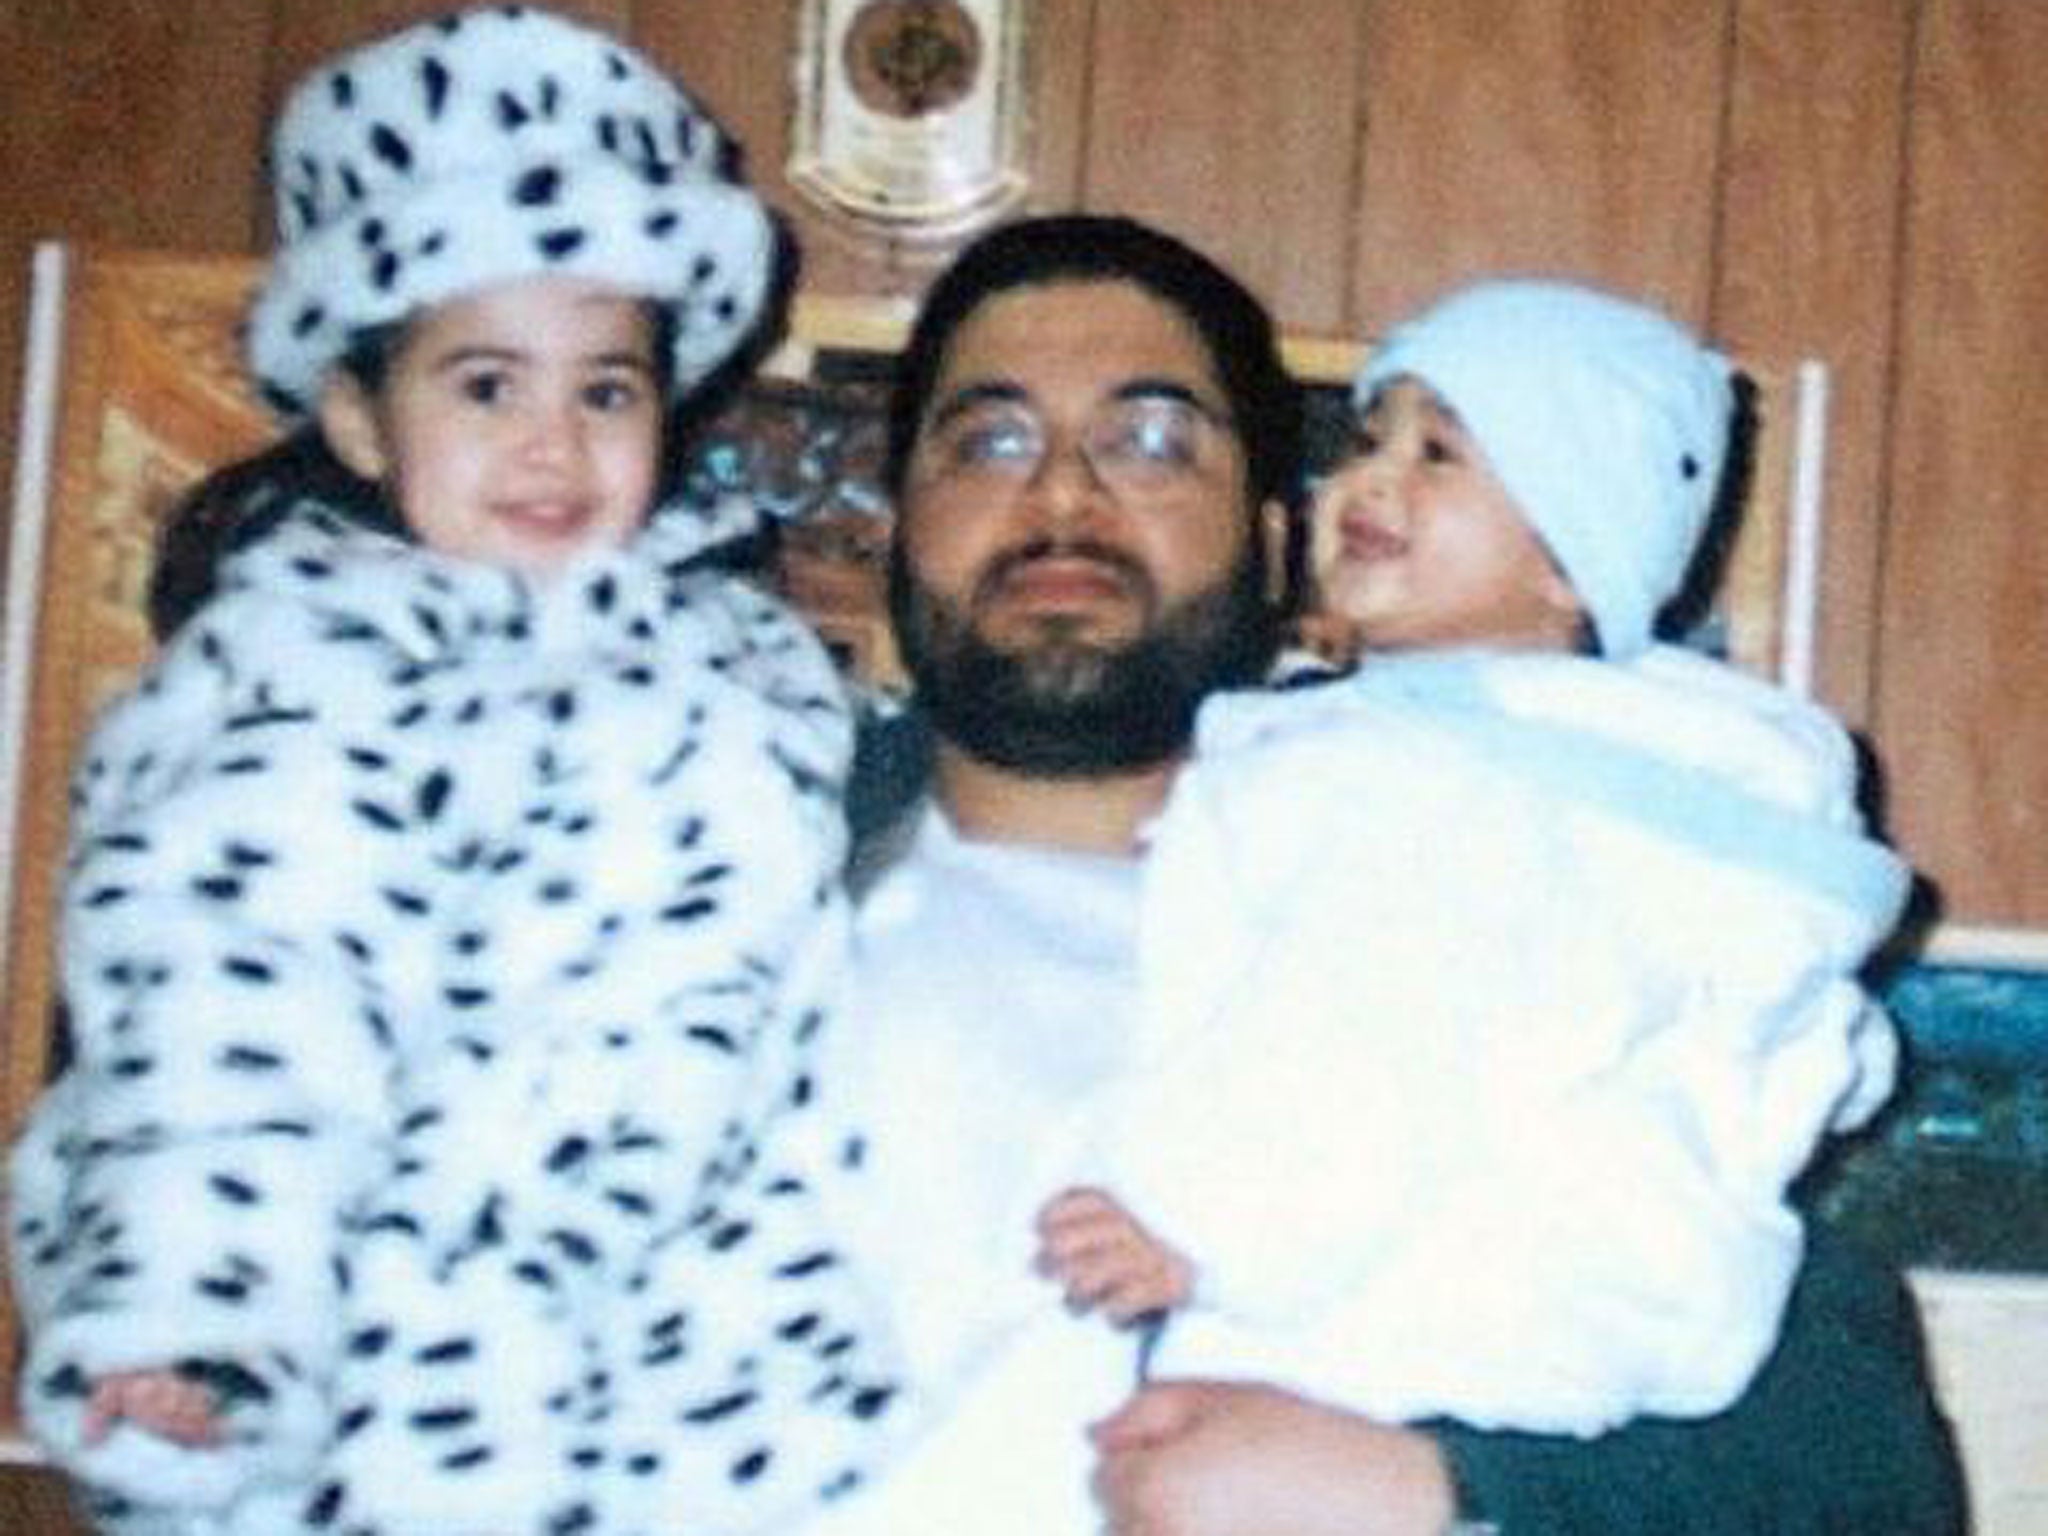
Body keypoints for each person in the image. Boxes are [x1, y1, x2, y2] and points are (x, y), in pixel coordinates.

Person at [803, 215, 1964, 1535]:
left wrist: (1446, 1489)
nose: (1064, 493)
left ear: (1275, 532)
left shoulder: (1513, 852)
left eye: (1151, 437)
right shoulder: (708, 900)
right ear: (898, 525)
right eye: (992, 438)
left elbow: (1865, 1477)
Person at [7, 9, 898, 1534]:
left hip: (698, 1399)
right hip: (382, 1391)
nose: (552, 445)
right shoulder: (298, 671)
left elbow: (813, 1036)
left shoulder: (747, 683)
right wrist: (194, 1325)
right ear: (360, 414)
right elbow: (222, 1011)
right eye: (487, 386)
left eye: (604, 391)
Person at [1032, 278, 1911, 1436]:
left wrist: (1198, 1226)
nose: (1369, 478)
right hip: (1501, 1341)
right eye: (1366, 437)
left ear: (1567, 564)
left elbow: (1373, 1033)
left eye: (1438, 452)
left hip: (1355, 1314)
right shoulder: (1538, 771)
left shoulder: (1427, 782)